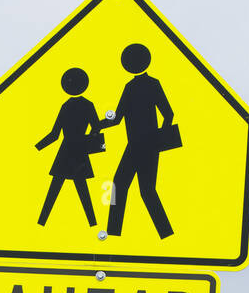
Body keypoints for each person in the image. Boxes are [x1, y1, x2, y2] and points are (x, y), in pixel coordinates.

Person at [103, 43, 175, 239]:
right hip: (146, 145)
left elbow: (116, 118)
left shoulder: (134, 87)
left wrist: (99, 124)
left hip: (138, 145)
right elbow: (168, 115)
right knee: (145, 190)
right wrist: (160, 138)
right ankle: (165, 233)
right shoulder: (149, 84)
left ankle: (114, 232)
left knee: (125, 186)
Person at [35, 67, 104, 227]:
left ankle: (42, 222)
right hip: (80, 150)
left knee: (56, 188)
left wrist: (39, 147)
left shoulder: (66, 106)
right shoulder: (88, 105)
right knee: (81, 188)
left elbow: (54, 134)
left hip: (66, 151)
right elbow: (96, 127)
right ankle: (92, 223)